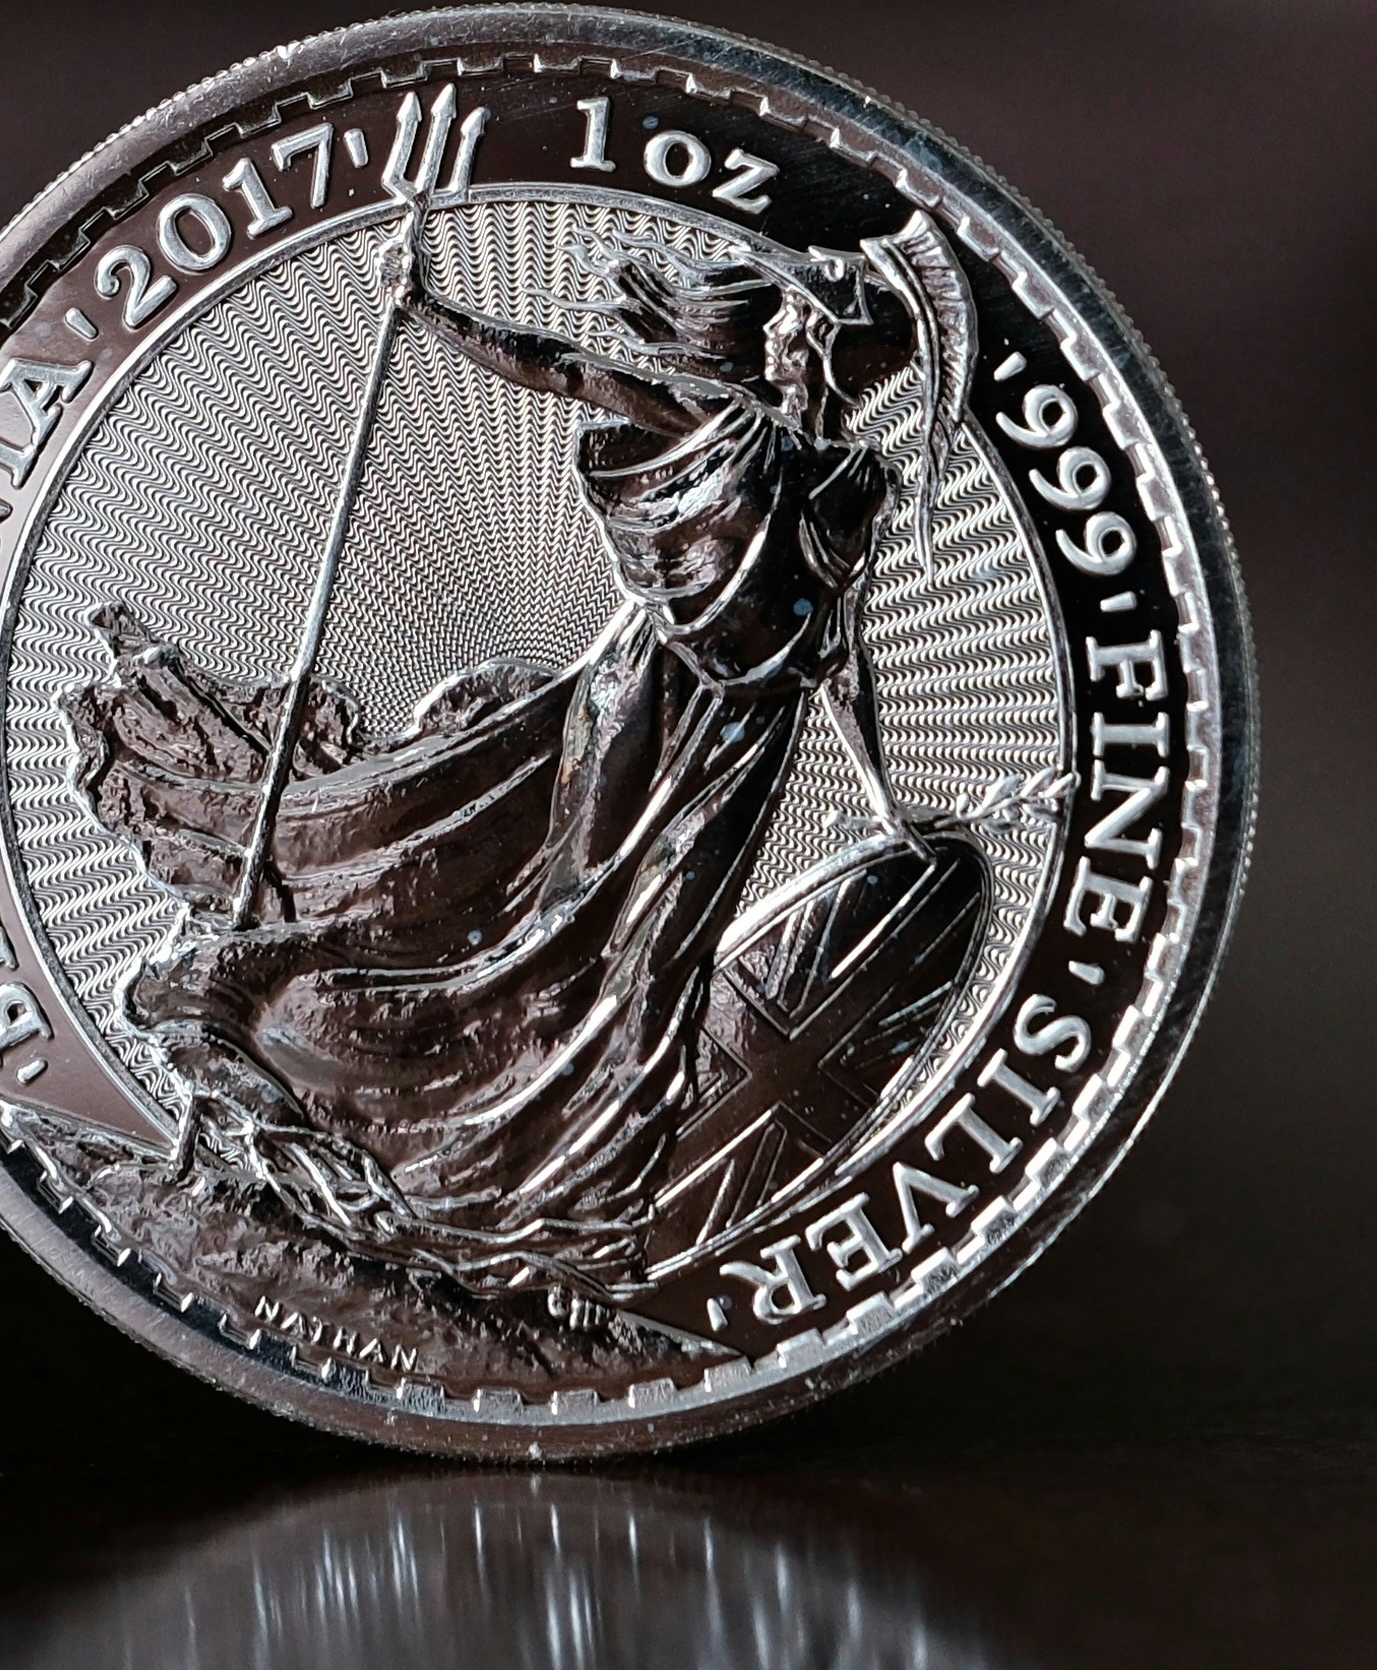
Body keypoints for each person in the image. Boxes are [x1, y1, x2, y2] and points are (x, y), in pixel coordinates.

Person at [66, 204, 969, 1303]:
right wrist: (431, 308)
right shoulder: (715, 420)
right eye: (781, 318)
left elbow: (837, 655)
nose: (786, 333)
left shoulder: (846, 484)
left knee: (657, 967)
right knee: (565, 937)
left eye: (807, 322)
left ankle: (580, 1214)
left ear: (840, 351)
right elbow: (563, 366)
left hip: (736, 759)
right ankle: (436, 1138)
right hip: (635, 717)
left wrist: (880, 800)